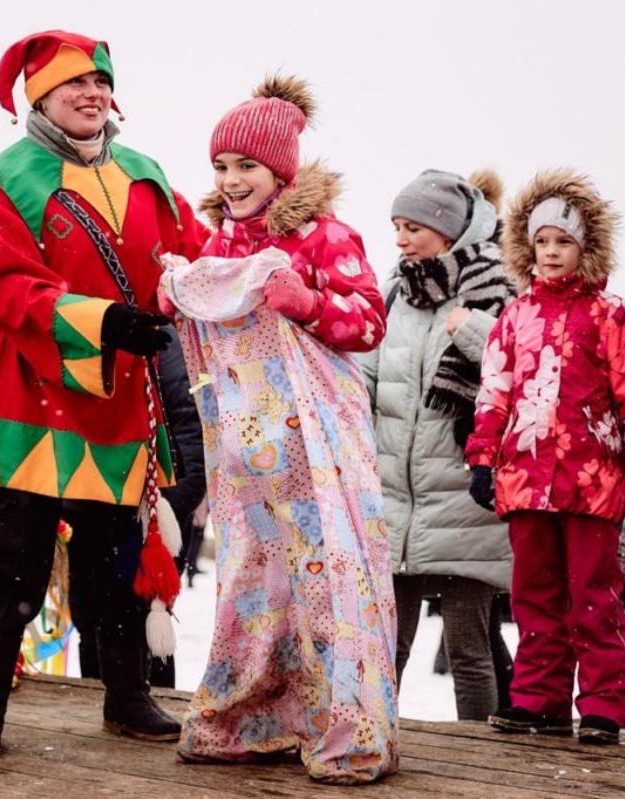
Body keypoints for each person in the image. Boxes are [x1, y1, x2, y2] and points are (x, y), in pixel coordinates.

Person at [0, 30, 205, 757]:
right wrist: (105, 319)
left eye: (100, 81)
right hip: (29, 396)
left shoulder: (146, 175)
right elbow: (9, 289)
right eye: (74, 84)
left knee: (117, 559)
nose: (92, 94)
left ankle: (128, 697)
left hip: (120, 401)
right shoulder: (4, 179)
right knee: (14, 559)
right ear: (41, 95)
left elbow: (187, 260)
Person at [161, 75, 398, 784]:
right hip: (254, 452)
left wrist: (308, 301)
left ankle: (346, 724)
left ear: (281, 171)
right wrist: (180, 295)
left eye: (247, 167)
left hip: (321, 449)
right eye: (222, 168)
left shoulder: (325, 236)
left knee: (330, 578)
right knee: (258, 582)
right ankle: (253, 716)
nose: (232, 181)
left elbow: (369, 321)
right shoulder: (220, 244)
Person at [466, 168, 625, 746]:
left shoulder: (615, 317)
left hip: (591, 479)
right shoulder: (514, 318)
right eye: (542, 243)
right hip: (526, 477)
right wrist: (482, 458)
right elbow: (495, 392)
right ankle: (539, 698)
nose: (551, 253)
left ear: (588, 247)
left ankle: (603, 703)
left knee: (593, 595)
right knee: (534, 595)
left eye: (564, 242)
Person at [358, 169, 515, 721]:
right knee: (385, 644)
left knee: (468, 649)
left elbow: (516, 366)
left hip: (462, 498)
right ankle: (374, 734)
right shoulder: (397, 289)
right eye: (396, 227)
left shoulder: (501, 286)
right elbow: (368, 370)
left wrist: (468, 328)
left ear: (449, 231)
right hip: (395, 495)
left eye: (413, 227)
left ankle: (480, 755)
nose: (400, 239)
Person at [71, 324, 206, 690]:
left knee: (143, 614)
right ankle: (98, 698)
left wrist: (170, 501)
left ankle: (152, 698)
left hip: (151, 509)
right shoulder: (96, 326)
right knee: (90, 614)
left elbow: (192, 430)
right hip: (96, 500)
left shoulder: (166, 343)